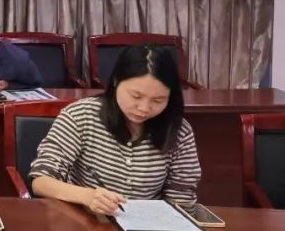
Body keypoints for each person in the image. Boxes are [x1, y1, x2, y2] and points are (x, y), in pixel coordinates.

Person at [29, 45, 201, 215]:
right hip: (84, 221)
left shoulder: (179, 130)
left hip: (148, 225)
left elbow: (182, 200)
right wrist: (88, 196)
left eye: (158, 100)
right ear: (115, 81)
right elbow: (41, 182)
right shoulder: (81, 115)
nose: (144, 108)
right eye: (136, 96)